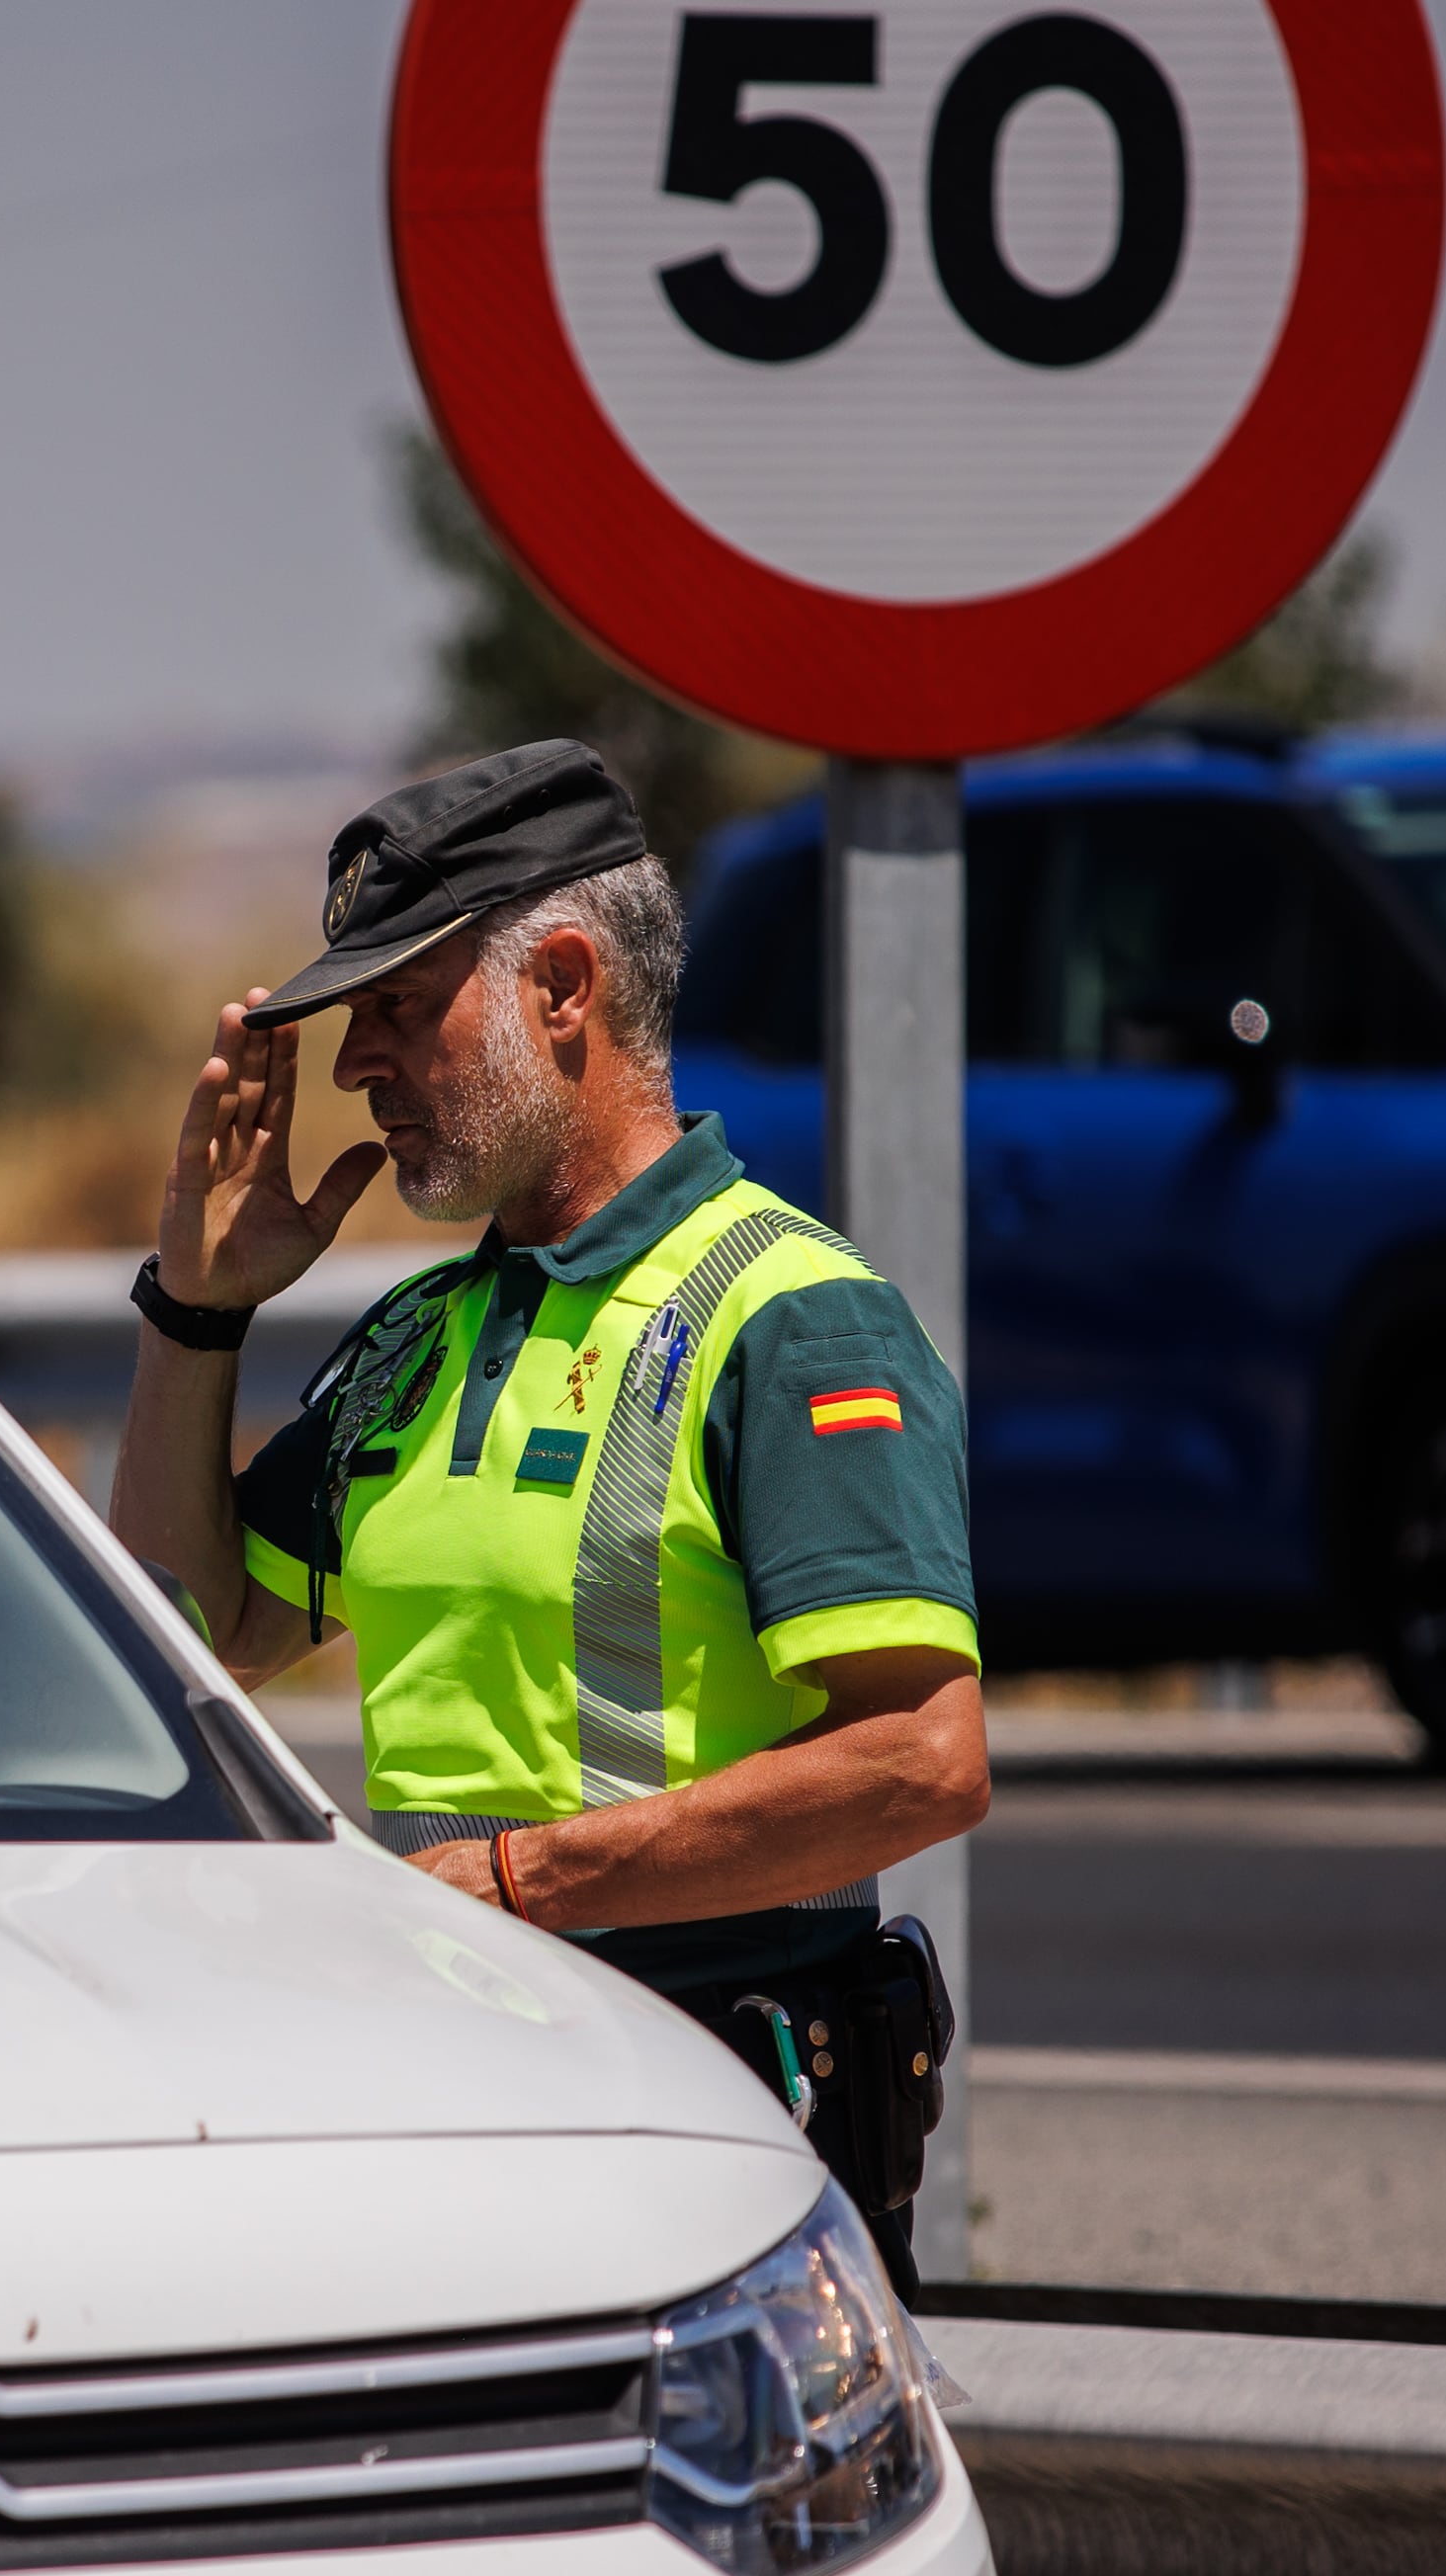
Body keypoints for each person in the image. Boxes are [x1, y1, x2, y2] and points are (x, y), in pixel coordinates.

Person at [109, 740, 987, 2285]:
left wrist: (515, 1886)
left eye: (398, 1007)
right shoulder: (423, 1332)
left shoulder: (789, 1319)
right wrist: (195, 1316)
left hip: (726, 2150)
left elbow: (922, 1761)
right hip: (474, 2116)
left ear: (563, 987)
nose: (361, 1062)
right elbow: (192, 1636)